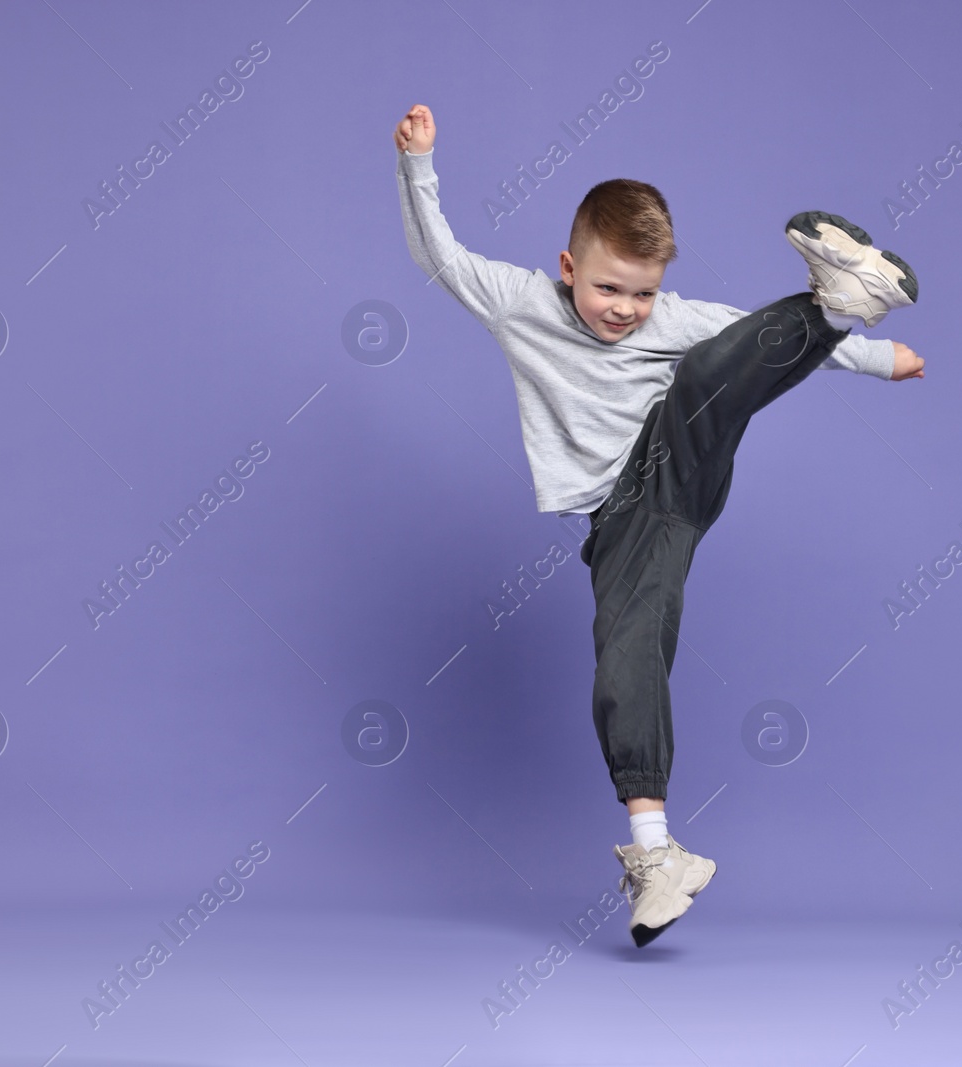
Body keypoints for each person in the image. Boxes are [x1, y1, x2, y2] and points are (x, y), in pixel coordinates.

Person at [393, 103, 923, 946]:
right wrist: (420, 166)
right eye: (608, 288)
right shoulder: (521, 303)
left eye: (642, 294)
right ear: (568, 267)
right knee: (625, 652)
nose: (625, 310)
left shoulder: (667, 319)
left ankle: (837, 302)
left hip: (675, 464)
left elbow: (747, 346)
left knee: (707, 371)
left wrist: (865, 349)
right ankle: (656, 854)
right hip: (623, 524)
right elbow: (441, 258)